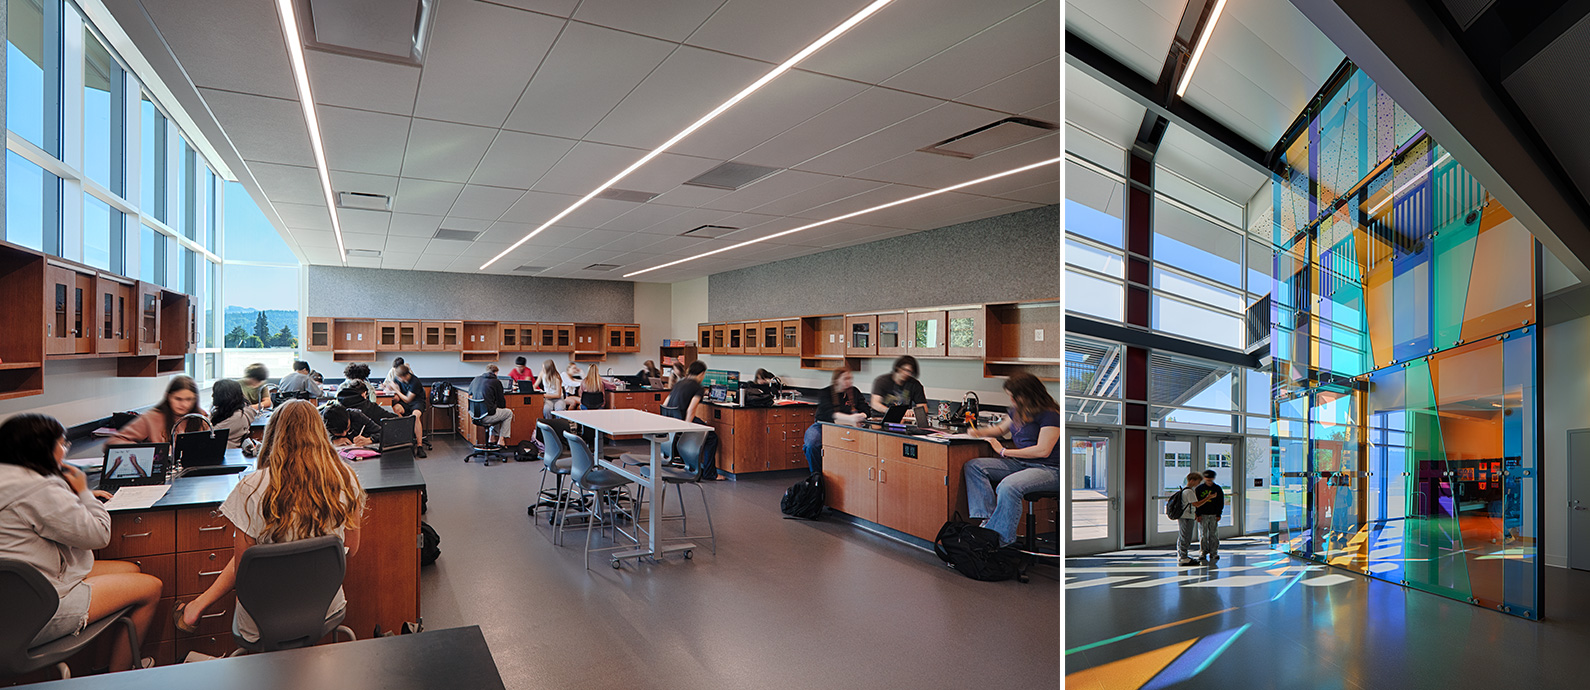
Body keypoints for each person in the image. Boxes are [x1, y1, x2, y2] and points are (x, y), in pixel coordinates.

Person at [173, 400, 366, 642]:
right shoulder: (345, 478)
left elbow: (244, 569)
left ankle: (196, 608)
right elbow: (352, 548)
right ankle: (197, 607)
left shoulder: (252, 487)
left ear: (273, 434)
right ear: (320, 432)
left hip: (263, 616)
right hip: (325, 607)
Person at [0, 414, 162, 671]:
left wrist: (68, 494)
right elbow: (99, 535)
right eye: (63, 444)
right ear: (43, 448)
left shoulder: (11, 478)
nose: (65, 449)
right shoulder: (39, 489)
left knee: (131, 570)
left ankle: (100, 668)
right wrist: (84, 492)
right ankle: (118, 678)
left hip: (17, 594)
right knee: (151, 587)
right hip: (35, 609)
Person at [961, 373, 1061, 547]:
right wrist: (977, 433)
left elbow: (1043, 451)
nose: (1011, 399)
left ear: (1027, 395)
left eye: (1013, 396)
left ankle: (1001, 540)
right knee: (974, 466)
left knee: (1008, 486)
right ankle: (989, 520)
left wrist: (1004, 451)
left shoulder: (1050, 415)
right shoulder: (1017, 411)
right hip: (1021, 464)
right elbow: (1000, 429)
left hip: (1049, 469)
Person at [803, 366, 867, 473]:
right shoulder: (825, 392)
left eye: (850, 379)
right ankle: (816, 475)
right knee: (812, 444)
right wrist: (850, 418)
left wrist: (862, 416)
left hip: (848, 427)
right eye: (845, 378)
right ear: (837, 379)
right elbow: (830, 414)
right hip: (822, 426)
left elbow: (865, 409)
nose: (849, 382)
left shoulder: (854, 392)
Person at [114, 376, 208, 443]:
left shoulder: (201, 417)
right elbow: (115, 441)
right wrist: (146, 452)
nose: (184, 404)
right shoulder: (151, 418)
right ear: (168, 397)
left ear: (195, 399)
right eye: (178, 399)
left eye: (189, 399)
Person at [1171, 473, 1215, 566]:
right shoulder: (1189, 492)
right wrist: (1208, 498)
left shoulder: (1185, 490)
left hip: (1185, 516)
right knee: (1186, 537)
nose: (1198, 484)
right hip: (1187, 517)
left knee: (1183, 536)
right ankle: (1183, 557)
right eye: (1198, 482)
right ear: (1192, 480)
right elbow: (1196, 504)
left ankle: (1182, 555)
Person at [210, 379, 266, 449]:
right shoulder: (231, 411)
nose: (212, 396)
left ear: (224, 396)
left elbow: (210, 434)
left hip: (226, 451)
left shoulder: (238, 417)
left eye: (215, 393)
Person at [870, 355, 928, 421]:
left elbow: (924, 408)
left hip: (903, 421)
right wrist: (892, 412)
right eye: (904, 370)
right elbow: (875, 404)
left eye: (910, 372)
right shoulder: (882, 381)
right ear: (897, 367)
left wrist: (913, 411)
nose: (906, 373)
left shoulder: (915, 384)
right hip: (880, 419)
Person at [468, 364, 513, 446]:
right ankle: (501, 440)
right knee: (508, 413)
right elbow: (501, 402)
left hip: (474, 415)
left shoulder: (476, 379)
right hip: (486, 416)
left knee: (496, 411)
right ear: (496, 373)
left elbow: (470, 393)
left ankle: (491, 437)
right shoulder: (496, 382)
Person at [389, 364, 430, 452]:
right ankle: (405, 435)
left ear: (405, 376)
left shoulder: (415, 382)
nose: (398, 379)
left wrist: (396, 390)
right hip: (404, 403)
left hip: (417, 402)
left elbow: (408, 399)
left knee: (415, 416)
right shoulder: (397, 378)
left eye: (400, 378)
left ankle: (419, 445)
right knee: (394, 410)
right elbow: (394, 388)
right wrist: (391, 390)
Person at [1197, 469, 1226, 563]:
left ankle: (1214, 552)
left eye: (1210, 480)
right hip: (1203, 514)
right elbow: (1197, 502)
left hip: (1213, 514)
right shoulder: (1199, 489)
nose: (1209, 482)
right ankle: (1203, 552)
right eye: (1207, 480)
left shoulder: (1217, 489)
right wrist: (1197, 514)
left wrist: (1219, 514)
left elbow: (1220, 502)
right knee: (1203, 534)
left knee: (1213, 534)